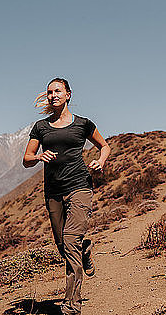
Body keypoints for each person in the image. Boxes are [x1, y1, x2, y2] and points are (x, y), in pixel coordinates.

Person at [23, 77, 111, 315]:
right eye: (49, 92)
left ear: (68, 95)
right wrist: (39, 157)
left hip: (80, 186)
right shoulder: (40, 128)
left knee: (69, 240)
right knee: (64, 245)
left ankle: (72, 304)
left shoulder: (83, 124)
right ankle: (84, 250)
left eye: (58, 91)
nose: (53, 95)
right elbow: (26, 159)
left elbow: (105, 146)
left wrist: (100, 162)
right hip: (53, 191)